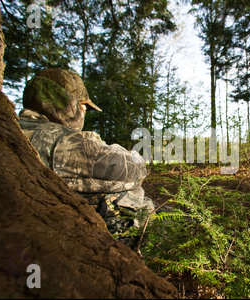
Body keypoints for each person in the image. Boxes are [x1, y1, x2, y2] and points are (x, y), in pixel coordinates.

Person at [18, 68, 154, 245]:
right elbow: (131, 168)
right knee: (136, 199)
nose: (84, 112)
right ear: (67, 103)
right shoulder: (61, 140)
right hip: (68, 237)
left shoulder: (19, 128)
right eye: (84, 106)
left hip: (37, 224)